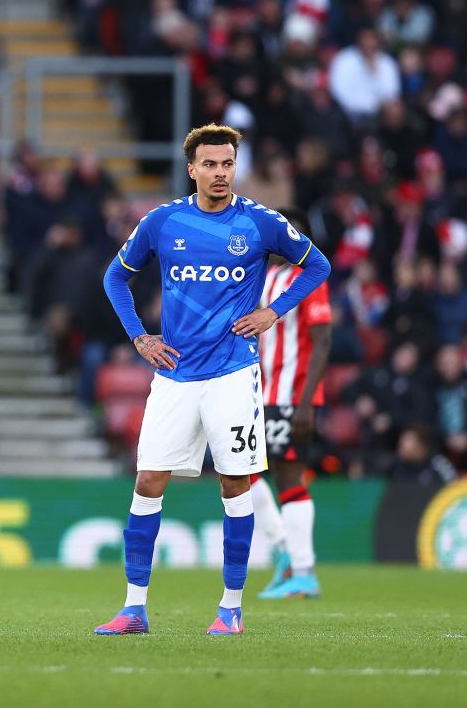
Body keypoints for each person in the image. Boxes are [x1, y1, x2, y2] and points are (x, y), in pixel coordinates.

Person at [95, 124, 330, 637]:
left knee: (234, 483)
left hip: (232, 374)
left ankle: (230, 609)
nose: (220, 174)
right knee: (147, 482)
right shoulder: (162, 221)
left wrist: (273, 311)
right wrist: (140, 337)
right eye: (211, 164)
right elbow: (115, 276)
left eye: (228, 164)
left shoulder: (260, 223)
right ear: (192, 168)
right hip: (175, 374)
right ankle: (134, 608)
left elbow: (318, 265)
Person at [249, 209, 331, 600]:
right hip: (256, 395)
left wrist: (307, 402)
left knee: (289, 478)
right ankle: (285, 551)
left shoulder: (309, 277)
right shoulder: (265, 276)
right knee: (240, 472)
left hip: (289, 396)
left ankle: (303, 571)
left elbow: (323, 341)